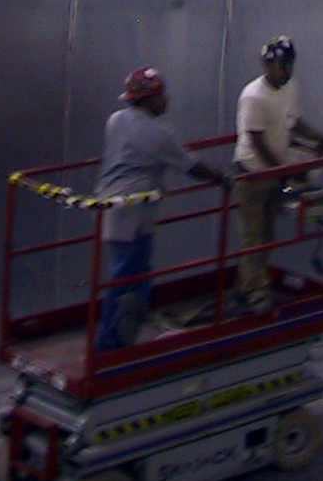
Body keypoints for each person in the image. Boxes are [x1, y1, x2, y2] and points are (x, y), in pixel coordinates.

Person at [94, 68, 228, 351]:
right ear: (148, 100)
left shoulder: (116, 120)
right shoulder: (157, 133)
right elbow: (191, 166)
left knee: (133, 275)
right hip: (133, 216)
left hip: (116, 210)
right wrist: (221, 177)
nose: (166, 100)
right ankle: (109, 346)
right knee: (126, 282)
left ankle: (124, 334)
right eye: (160, 96)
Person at [233, 36, 323, 312]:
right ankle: (257, 292)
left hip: (275, 172)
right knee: (253, 237)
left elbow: (295, 123)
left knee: (266, 234)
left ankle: (248, 287)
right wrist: (284, 172)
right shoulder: (254, 96)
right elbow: (255, 140)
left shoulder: (290, 88)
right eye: (277, 65)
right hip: (253, 174)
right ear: (266, 66)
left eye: (286, 66)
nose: (283, 71)